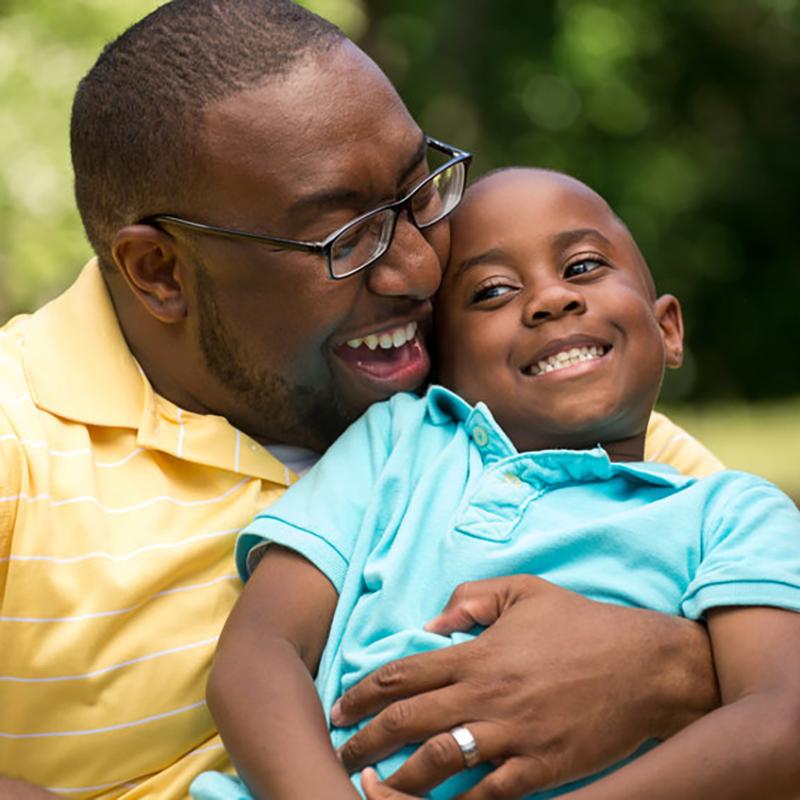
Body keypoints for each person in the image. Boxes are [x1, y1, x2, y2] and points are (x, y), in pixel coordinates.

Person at [0, 1, 724, 798]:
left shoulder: (504, 412)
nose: (418, 270)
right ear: (160, 272)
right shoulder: (18, 440)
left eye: (419, 195)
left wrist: (671, 666)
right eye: (344, 240)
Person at [194, 168, 800, 800]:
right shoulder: (400, 443)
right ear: (444, 368)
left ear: (667, 329)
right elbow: (258, 654)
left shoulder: (734, 515)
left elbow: (780, 723)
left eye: (585, 266)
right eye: (492, 293)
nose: (549, 300)